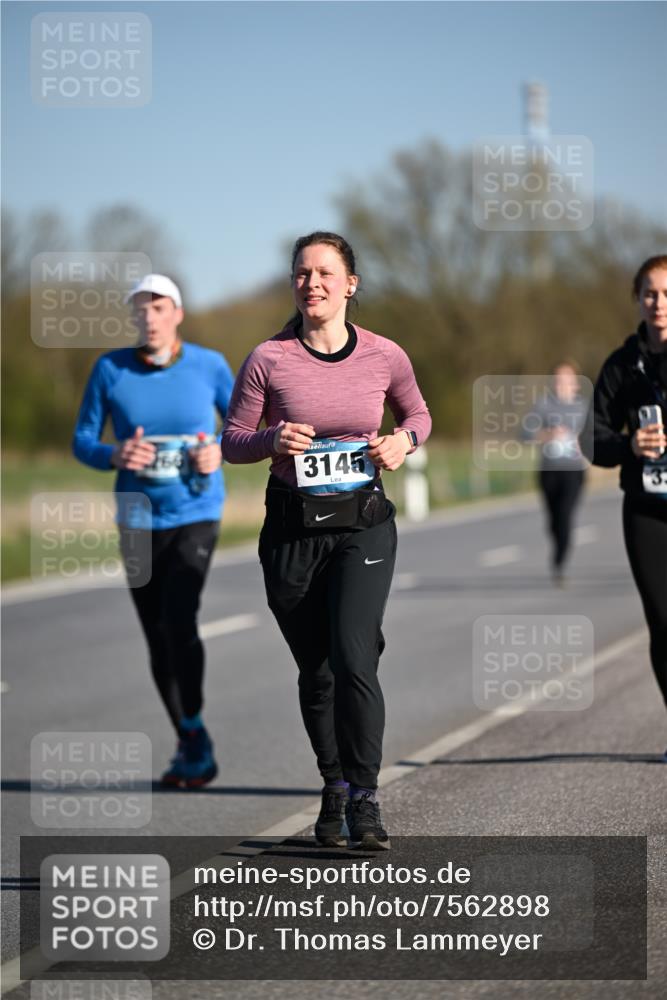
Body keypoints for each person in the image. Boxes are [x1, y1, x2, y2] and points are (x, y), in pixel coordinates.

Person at [222, 231, 431, 850]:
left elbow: (417, 415)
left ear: (349, 285)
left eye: (324, 273)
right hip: (291, 530)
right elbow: (233, 440)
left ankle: (365, 801)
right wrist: (272, 439)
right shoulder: (269, 358)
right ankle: (334, 783)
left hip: (363, 525)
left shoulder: (385, 356)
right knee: (317, 672)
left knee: (353, 658)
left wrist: (403, 442)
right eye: (302, 274)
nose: (312, 283)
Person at [72, 273, 235, 787]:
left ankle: (192, 732)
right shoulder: (109, 369)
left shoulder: (210, 366)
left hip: (196, 510)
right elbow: (82, 439)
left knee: (179, 615)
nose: (148, 316)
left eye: (158, 307)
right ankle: (190, 733)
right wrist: (114, 453)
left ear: (177, 313)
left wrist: (220, 449)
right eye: (140, 308)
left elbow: (245, 428)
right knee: (155, 635)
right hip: (137, 516)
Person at [582, 255, 667, 751]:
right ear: (637, 299)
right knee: (662, 621)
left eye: (666, 293)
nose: (659, 303)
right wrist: (631, 445)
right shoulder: (622, 365)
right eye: (650, 293)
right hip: (647, 507)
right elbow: (593, 439)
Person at [533, 362, 588, 586]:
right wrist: (548, 434)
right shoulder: (543, 406)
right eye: (558, 380)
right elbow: (525, 433)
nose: (562, 385)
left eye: (567, 380)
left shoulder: (584, 408)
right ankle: (558, 547)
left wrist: (582, 441)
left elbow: (597, 435)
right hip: (548, 470)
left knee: (565, 516)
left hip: (574, 471)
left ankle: (560, 562)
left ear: (575, 384)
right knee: (554, 521)